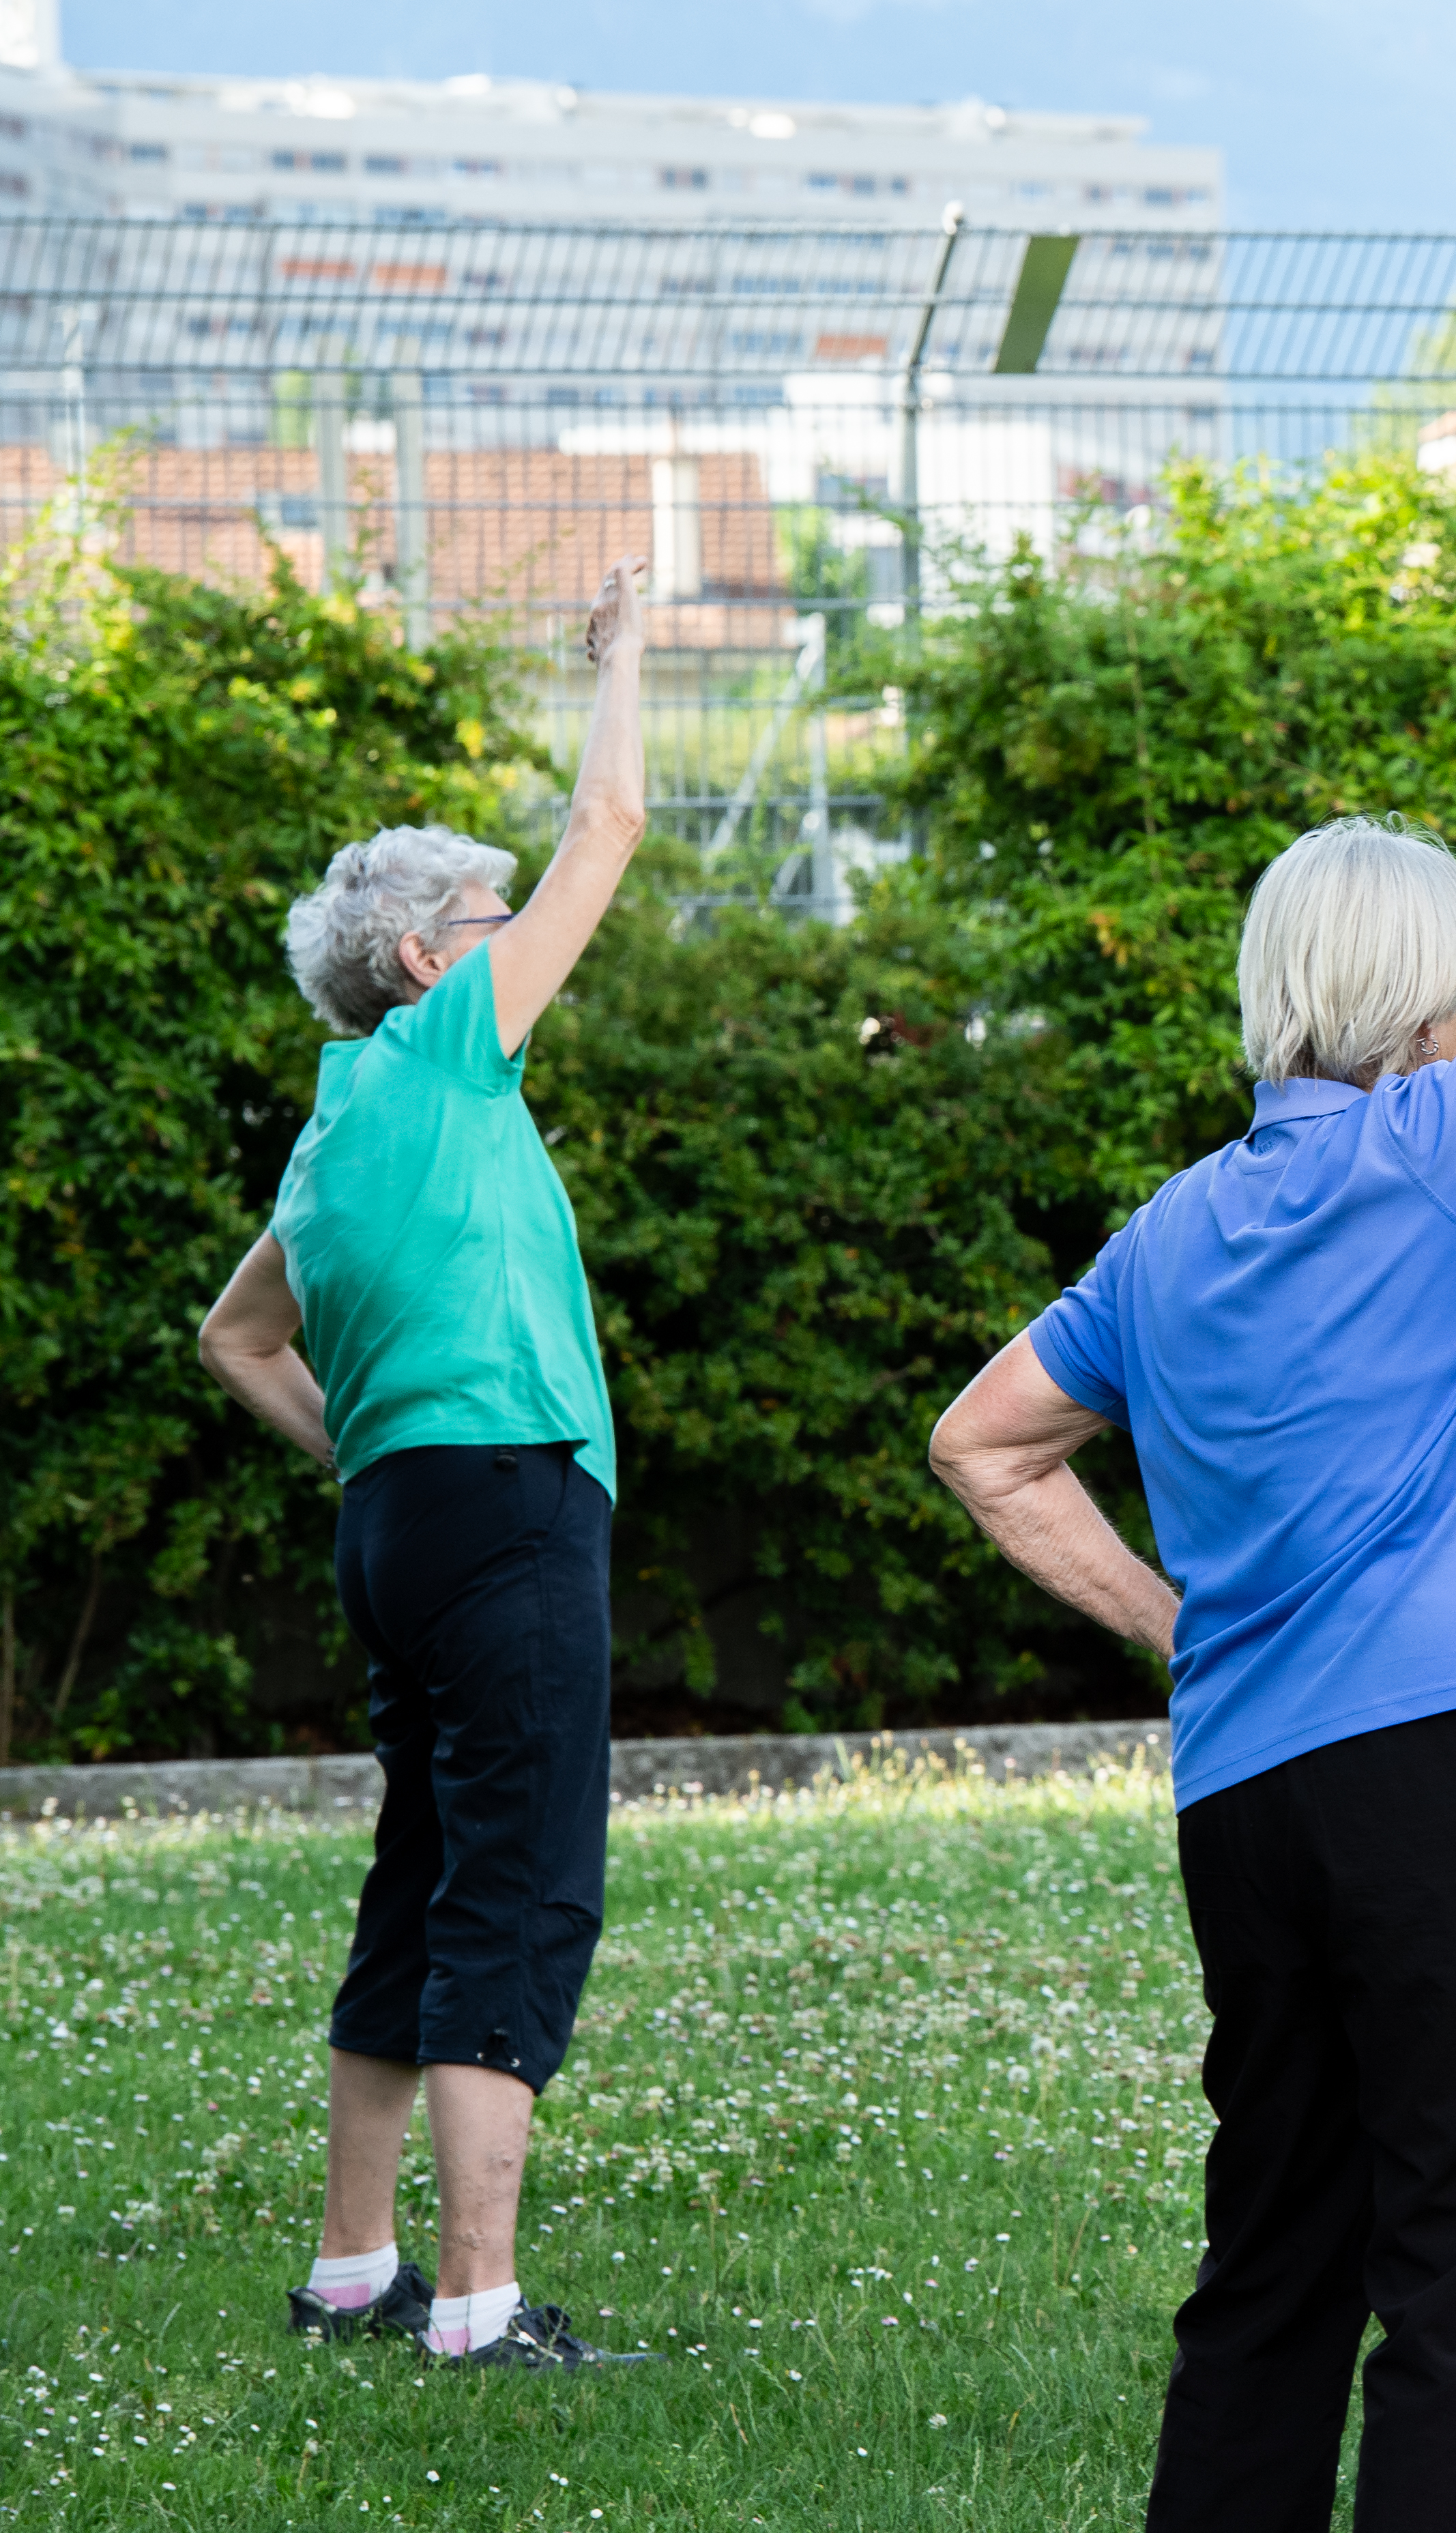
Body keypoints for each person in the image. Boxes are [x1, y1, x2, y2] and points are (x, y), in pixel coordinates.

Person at [926, 648, 1456, 2533]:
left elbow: (983, 1446)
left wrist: (1169, 1622)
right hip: (1450, 1779)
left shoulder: (1171, 1230)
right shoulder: (1444, 1149)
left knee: (1278, 2267)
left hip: (1249, 1799)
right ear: (1436, 1003)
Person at [195, 556, 654, 2369]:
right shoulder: (449, 1052)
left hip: (398, 1522)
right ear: (422, 959)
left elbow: (236, 1340)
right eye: (490, 911)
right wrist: (617, 656)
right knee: (517, 1883)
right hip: (506, 1503)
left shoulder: (329, 1143)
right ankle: (474, 2311)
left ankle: (351, 2276)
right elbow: (611, 821)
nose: (515, 926)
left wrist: (364, 1452)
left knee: (424, 1871)